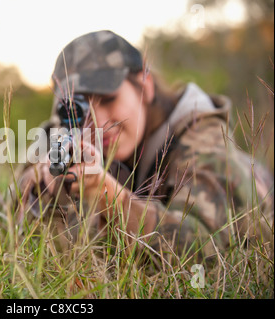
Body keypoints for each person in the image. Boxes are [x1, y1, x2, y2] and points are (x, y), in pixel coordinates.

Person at [14, 30, 273, 262]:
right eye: (81, 109)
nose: (99, 122)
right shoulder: (67, 134)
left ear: (145, 85)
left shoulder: (200, 135)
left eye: (107, 100)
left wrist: (109, 196)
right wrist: (40, 182)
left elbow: (204, 249)